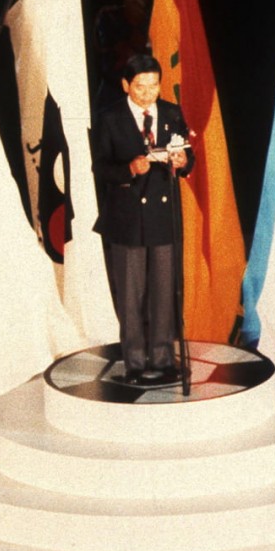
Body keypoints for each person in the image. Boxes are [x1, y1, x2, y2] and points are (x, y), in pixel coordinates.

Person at [92, 54, 195, 384]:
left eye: (153, 85)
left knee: (164, 290)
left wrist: (182, 160)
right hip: (127, 217)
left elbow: (187, 155)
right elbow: (100, 168)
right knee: (132, 291)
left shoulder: (171, 112)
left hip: (163, 216)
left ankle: (164, 358)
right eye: (140, 87)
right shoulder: (110, 118)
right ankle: (135, 361)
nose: (148, 93)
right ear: (126, 85)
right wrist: (128, 169)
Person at [93, 0, 155, 102]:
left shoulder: (155, 18)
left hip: (150, 91)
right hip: (115, 94)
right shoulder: (108, 16)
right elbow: (120, 53)